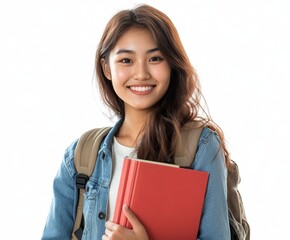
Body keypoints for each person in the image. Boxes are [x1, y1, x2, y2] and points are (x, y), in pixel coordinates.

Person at [41, 4, 231, 240]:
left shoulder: (200, 147)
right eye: (126, 60)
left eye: (155, 58)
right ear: (106, 68)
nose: (141, 73)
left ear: (171, 64)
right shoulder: (80, 156)